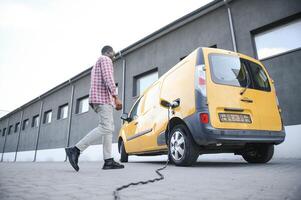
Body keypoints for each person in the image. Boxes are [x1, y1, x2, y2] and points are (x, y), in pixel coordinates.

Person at [65, 45, 124, 171]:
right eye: (113, 53)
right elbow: (109, 78)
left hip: (100, 99)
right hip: (103, 99)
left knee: (108, 128)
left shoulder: (98, 63)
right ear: (108, 52)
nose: (114, 56)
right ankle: (76, 149)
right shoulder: (105, 59)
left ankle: (108, 161)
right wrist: (116, 97)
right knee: (106, 127)